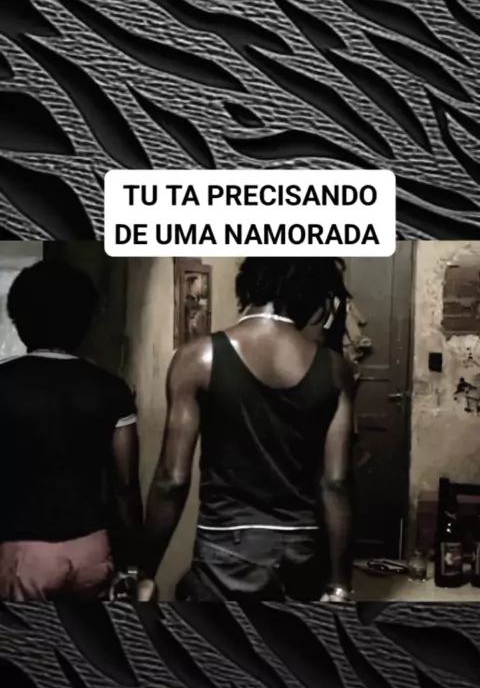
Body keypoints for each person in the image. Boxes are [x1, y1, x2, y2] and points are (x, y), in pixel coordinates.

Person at [143, 257, 355, 603]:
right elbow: (336, 482)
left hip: (225, 547)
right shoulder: (334, 369)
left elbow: (172, 480)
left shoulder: (198, 358)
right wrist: (340, 583)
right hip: (301, 548)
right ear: (312, 297)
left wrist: (144, 572)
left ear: (248, 285)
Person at [0, 261, 143, 601]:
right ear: (85, 323)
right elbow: (125, 486)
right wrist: (132, 565)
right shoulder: (111, 389)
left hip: (21, 553)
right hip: (91, 549)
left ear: (19, 321)